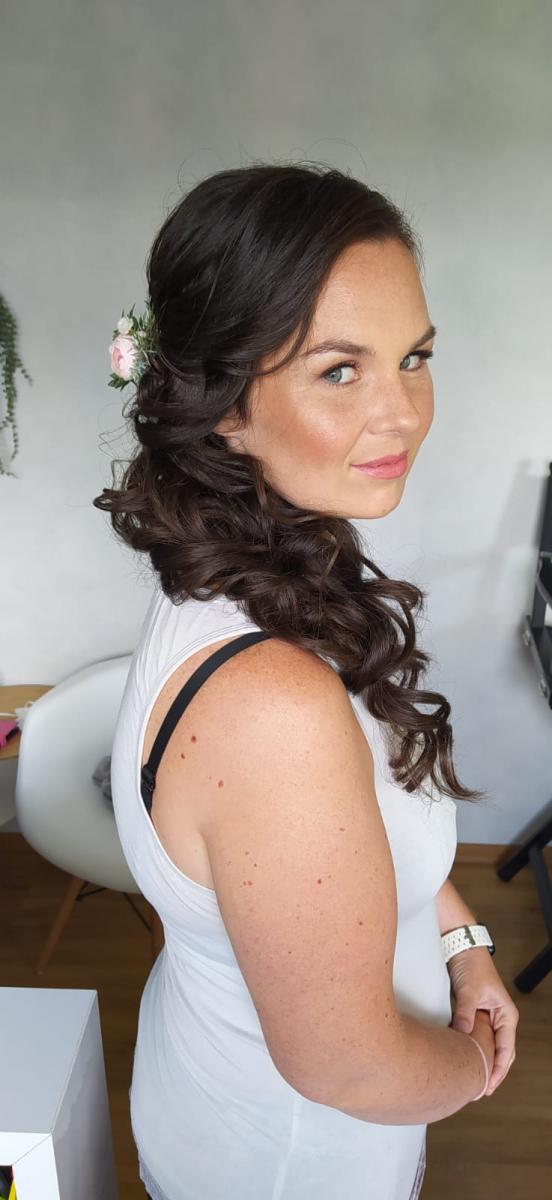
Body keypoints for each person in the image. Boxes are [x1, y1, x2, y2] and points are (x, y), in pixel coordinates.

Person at [95, 162, 518, 1200]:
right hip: (292, 1164)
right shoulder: (272, 709)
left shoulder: (243, 569)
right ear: (223, 405)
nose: (403, 412)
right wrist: (472, 1069)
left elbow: (365, 831)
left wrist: (462, 940)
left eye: (414, 358)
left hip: (214, 1085)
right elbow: (348, 1067)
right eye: (340, 371)